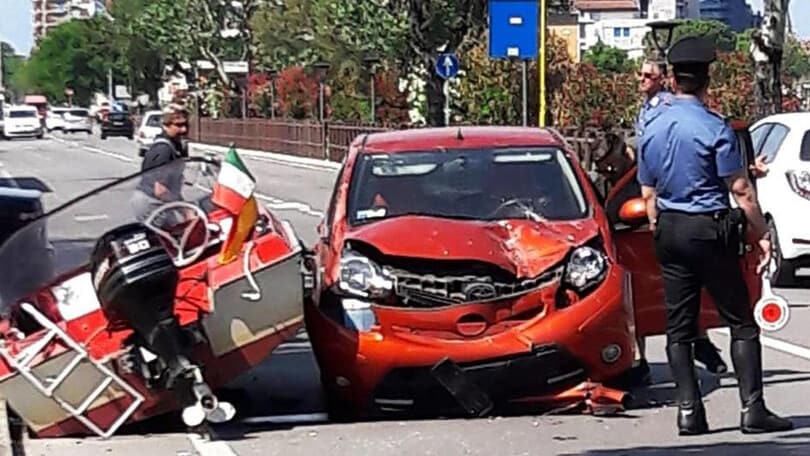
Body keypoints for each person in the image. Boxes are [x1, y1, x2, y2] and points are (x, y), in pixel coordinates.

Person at [637, 36, 793, 435]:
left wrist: (660, 229)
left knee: (679, 325)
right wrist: (760, 234)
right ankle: (752, 409)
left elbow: (648, 193)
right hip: (710, 228)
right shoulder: (714, 127)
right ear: (708, 79)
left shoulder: (651, 127)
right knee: (740, 320)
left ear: (672, 79)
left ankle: (689, 412)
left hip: (670, 229)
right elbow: (740, 190)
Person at [625, 59, 729, 381]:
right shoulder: (645, 109)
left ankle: (701, 347)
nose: (642, 80)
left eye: (648, 76)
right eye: (640, 75)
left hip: (672, 203)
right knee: (668, 297)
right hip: (655, 200)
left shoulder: (667, 109)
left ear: (666, 80)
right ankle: (646, 358)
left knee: (686, 298)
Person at [131, 103, 190, 223]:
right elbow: (160, 190)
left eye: (186, 124)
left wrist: (186, 207)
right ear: (165, 125)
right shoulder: (163, 149)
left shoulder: (173, 146)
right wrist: (186, 211)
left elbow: (170, 187)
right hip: (152, 204)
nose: (184, 129)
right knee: (174, 238)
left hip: (158, 203)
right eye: (178, 125)